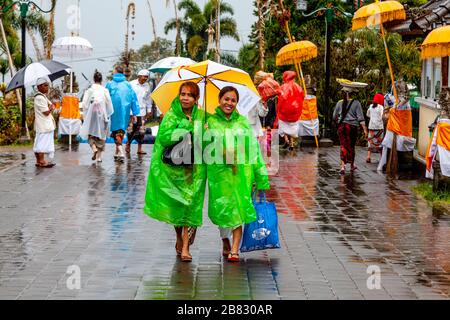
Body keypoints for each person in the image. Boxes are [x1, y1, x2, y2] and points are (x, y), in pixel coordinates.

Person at [144, 82, 206, 263]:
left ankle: (185, 246)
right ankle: (179, 236)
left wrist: (204, 129)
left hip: (192, 168)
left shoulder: (202, 116)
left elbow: (206, 141)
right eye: (183, 94)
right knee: (177, 206)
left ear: (196, 99)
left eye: (190, 95)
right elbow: (164, 137)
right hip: (173, 169)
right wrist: (186, 128)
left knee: (188, 204)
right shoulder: (171, 114)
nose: (185, 98)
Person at [206, 86, 270, 263]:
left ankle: (235, 249)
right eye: (226, 99)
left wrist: (260, 176)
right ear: (219, 100)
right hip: (219, 177)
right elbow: (203, 149)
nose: (229, 103)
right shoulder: (210, 122)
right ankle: (225, 241)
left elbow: (253, 151)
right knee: (223, 212)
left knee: (238, 210)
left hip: (241, 175)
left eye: (233, 100)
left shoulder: (242, 123)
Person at [106, 65, 139, 162]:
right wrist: (135, 112)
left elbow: (105, 97)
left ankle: (120, 150)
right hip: (125, 110)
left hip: (113, 110)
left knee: (115, 130)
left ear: (115, 72)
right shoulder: (128, 84)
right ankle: (117, 152)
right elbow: (134, 98)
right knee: (121, 130)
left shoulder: (109, 84)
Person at [333, 86, 368, 175]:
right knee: (351, 146)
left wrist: (339, 121)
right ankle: (352, 165)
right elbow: (361, 118)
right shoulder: (356, 103)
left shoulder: (339, 103)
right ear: (352, 93)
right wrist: (365, 130)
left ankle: (342, 166)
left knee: (343, 145)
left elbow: (334, 116)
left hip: (342, 127)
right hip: (352, 128)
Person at [79, 71, 114, 162]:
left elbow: (84, 104)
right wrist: (107, 113)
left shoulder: (89, 90)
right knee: (101, 135)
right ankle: (99, 157)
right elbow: (109, 103)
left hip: (92, 115)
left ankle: (94, 148)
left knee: (91, 133)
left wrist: (86, 114)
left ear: (94, 79)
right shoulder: (104, 90)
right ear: (101, 80)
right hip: (102, 114)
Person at [126, 69, 153, 155]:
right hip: (132, 112)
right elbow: (128, 98)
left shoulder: (148, 86)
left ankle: (139, 149)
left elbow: (149, 99)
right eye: (144, 76)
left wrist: (149, 110)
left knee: (141, 131)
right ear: (139, 76)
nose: (145, 78)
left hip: (142, 112)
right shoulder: (131, 84)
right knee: (131, 130)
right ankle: (128, 145)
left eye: (147, 77)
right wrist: (129, 111)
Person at [277, 71, 305, 151]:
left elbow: (280, 98)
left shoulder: (283, 87)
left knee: (284, 127)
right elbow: (302, 97)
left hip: (284, 112)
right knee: (292, 128)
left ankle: (286, 140)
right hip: (295, 113)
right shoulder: (298, 87)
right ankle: (291, 143)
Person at [33, 77, 56, 168]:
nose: (47, 87)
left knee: (39, 142)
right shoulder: (40, 98)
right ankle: (41, 161)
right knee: (42, 143)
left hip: (43, 124)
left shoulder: (43, 97)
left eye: (47, 85)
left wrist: (51, 106)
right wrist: (50, 107)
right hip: (44, 124)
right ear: (39, 87)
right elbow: (46, 112)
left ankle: (39, 161)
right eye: (45, 85)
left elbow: (51, 104)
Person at [366, 93, 385, 163]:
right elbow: (382, 116)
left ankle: (368, 157)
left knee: (370, 141)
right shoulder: (381, 107)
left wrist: (372, 118)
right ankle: (382, 157)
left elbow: (367, 114)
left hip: (371, 127)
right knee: (379, 141)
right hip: (379, 127)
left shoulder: (371, 106)